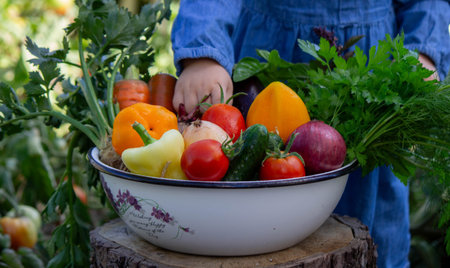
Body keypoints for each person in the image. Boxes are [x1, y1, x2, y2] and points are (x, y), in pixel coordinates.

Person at [170, 1, 450, 267]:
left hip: (373, 74)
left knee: (375, 227)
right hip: (266, 59)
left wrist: (423, 52)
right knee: (259, 218)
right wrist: (204, 54)